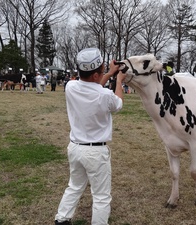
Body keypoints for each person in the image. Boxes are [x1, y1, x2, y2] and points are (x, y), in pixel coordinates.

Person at [55, 48, 126, 225]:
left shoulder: (70, 86)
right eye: (101, 70)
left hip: (75, 147)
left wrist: (108, 73)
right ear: (95, 75)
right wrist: (119, 80)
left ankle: (62, 219)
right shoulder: (105, 95)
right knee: (101, 196)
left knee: (74, 186)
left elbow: (93, 86)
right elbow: (118, 103)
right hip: (95, 151)